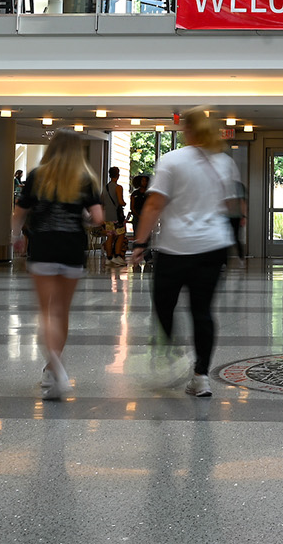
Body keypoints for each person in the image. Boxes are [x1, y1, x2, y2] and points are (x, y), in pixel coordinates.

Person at [131, 108, 239, 397]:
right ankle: (201, 376)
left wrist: (140, 243)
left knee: (163, 304)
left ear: (187, 130)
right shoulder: (224, 163)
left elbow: (153, 205)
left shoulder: (171, 160)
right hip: (213, 248)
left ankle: (173, 351)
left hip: (176, 248)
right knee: (202, 312)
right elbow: (233, 207)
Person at [11, 131, 103, 400]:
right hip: (73, 248)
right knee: (62, 311)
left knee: (46, 311)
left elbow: (19, 213)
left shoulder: (37, 175)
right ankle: (53, 368)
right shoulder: (85, 178)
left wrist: (16, 237)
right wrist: (81, 217)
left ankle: (56, 369)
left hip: (43, 247)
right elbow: (97, 217)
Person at [101, 166, 128, 266]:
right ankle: (117, 256)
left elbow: (101, 201)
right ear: (118, 175)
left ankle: (109, 258)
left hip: (107, 216)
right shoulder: (118, 187)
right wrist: (124, 203)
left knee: (109, 236)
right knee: (120, 235)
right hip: (116, 217)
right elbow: (120, 202)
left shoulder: (105, 187)